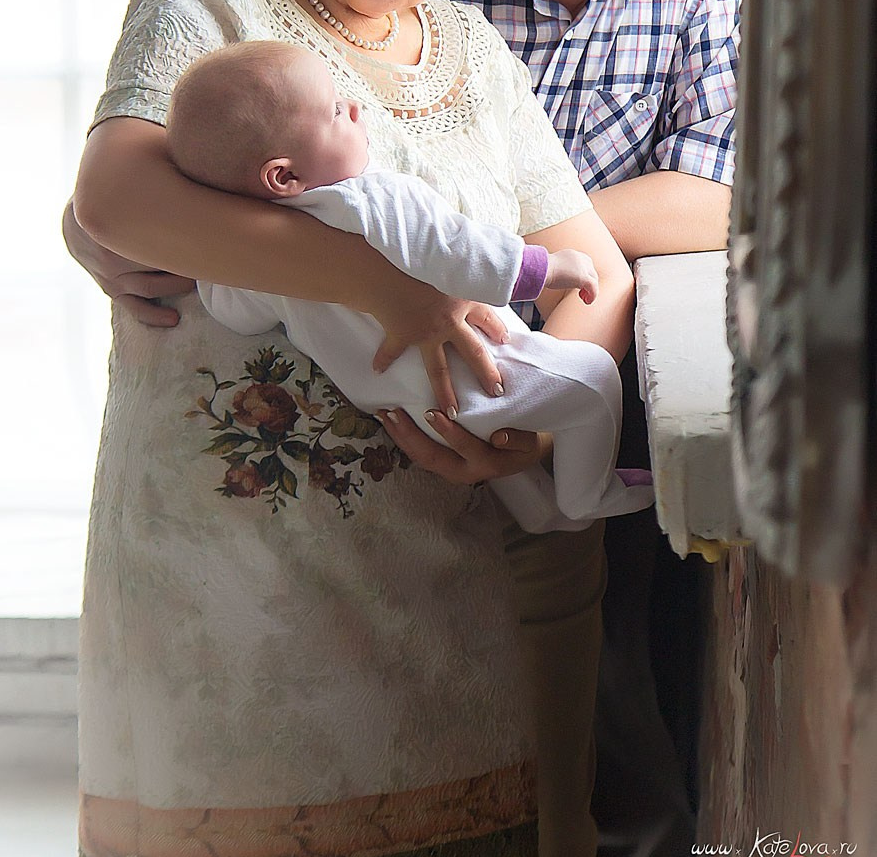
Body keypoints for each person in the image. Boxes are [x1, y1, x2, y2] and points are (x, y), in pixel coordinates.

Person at [65, 0, 635, 857]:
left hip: (435, 586)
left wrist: (526, 418)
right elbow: (116, 197)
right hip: (227, 594)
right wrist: (388, 294)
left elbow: (592, 266)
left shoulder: (474, 55)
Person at [382, 0, 741, 857]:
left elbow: (719, 195)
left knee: (608, 696)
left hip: (585, 369)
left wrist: (534, 250)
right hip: (411, 341)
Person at [165, 40, 656, 532]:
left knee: (499, 445)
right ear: (284, 175)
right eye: (336, 110)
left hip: (402, 411)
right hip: (480, 383)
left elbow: (233, 312)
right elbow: (460, 252)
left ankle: (538, 508)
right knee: (592, 381)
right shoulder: (375, 197)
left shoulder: (260, 261)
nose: (355, 107)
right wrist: (545, 268)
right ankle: (586, 497)